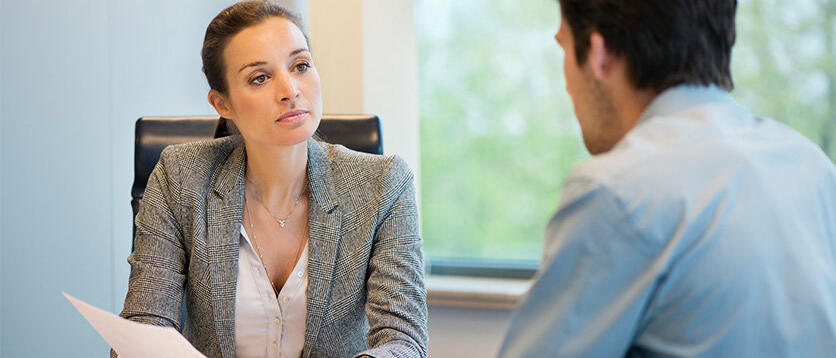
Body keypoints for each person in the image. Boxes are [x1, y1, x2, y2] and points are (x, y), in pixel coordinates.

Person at [498, 0, 836, 357]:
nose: (567, 84)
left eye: (563, 47)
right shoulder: (812, 168)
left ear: (599, 54)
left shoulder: (617, 190)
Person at [114, 1, 427, 358]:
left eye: (300, 66)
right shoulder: (181, 176)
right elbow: (146, 323)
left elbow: (404, 340)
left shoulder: (383, 184)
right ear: (222, 104)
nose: (290, 89)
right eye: (259, 77)